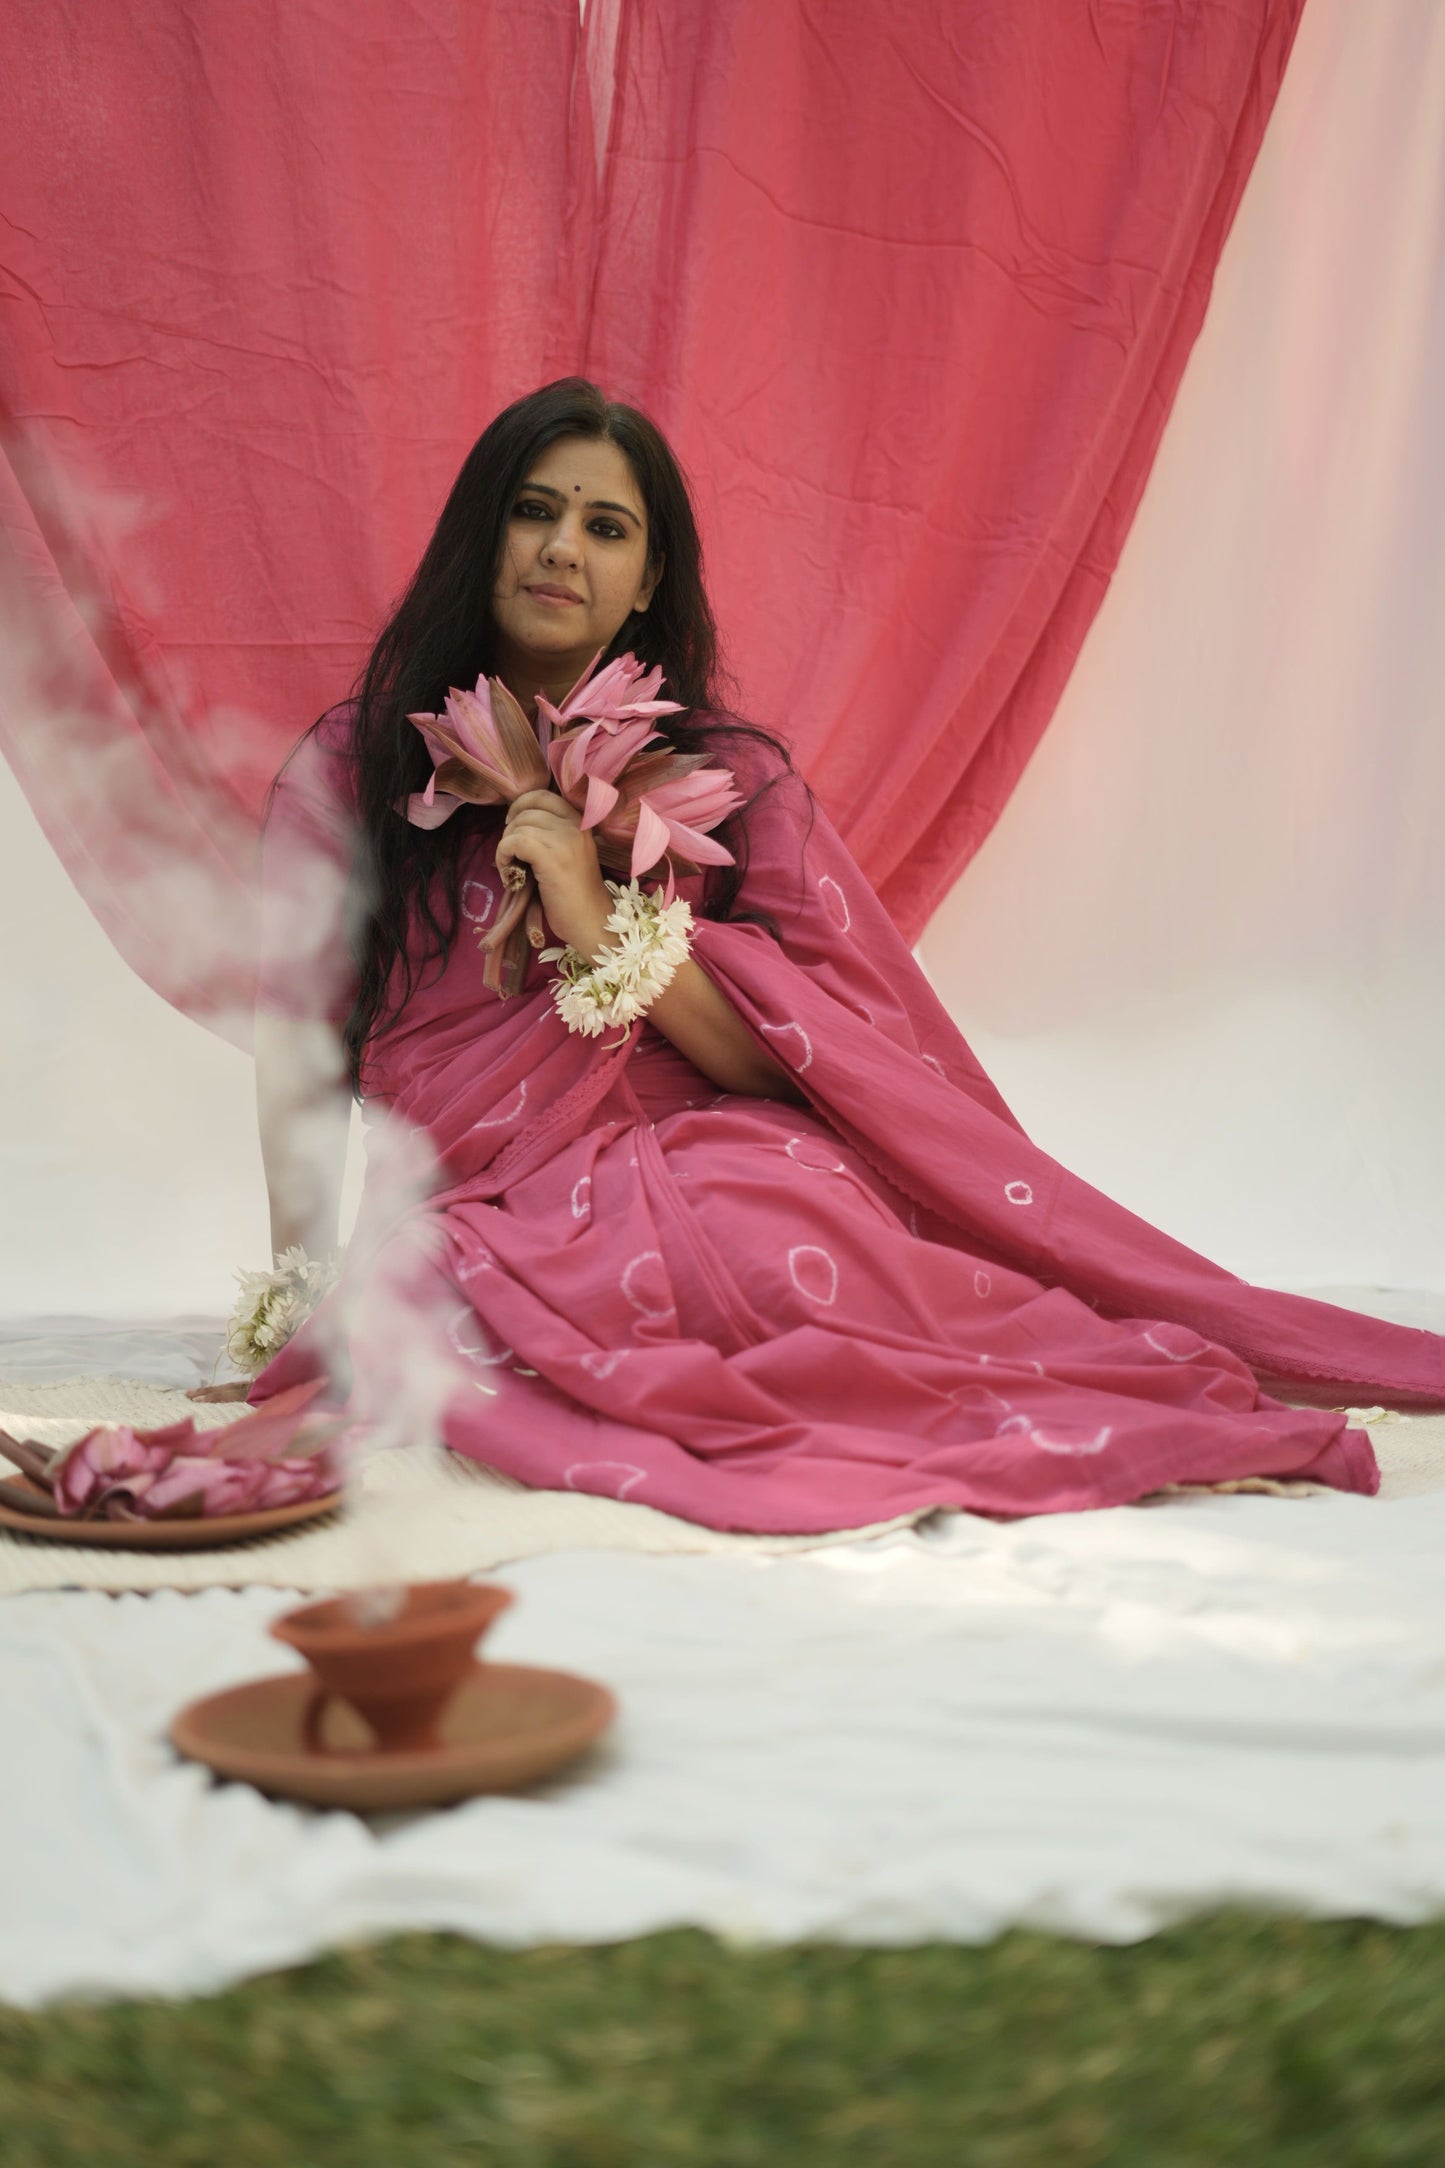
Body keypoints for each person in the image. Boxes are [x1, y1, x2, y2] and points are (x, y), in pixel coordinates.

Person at [229, 378, 1445, 1527]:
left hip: (726, 1157)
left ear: (648, 577)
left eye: (605, 527)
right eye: (532, 511)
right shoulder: (355, 771)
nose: (561, 548)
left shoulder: (719, 779)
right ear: (478, 533)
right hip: (482, 1208)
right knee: (453, 1328)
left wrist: (598, 922)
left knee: (797, 1266)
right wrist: (299, 1291)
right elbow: (298, 1056)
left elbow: (802, 1056)